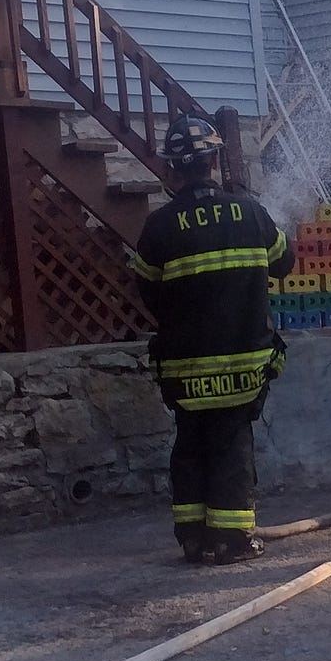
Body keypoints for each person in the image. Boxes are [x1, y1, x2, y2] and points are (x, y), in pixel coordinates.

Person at [131, 115, 291, 565]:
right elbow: (283, 263)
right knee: (231, 445)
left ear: (174, 170)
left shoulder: (159, 227)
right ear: (215, 160)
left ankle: (193, 538)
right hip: (243, 366)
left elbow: (146, 290)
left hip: (184, 371)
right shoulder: (252, 214)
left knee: (190, 444)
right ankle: (233, 540)